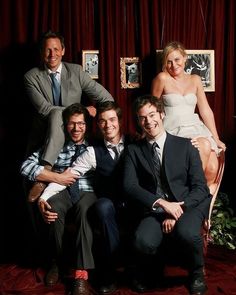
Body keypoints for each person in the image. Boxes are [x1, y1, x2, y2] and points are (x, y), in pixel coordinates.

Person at [123, 95, 211, 294]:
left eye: (152, 114)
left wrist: (177, 208)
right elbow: (129, 186)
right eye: (142, 117)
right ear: (138, 121)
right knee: (142, 241)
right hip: (154, 208)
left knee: (187, 233)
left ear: (162, 114)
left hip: (187, 204)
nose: (149, 121)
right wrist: (162, 204)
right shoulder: (133, 151)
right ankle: (153, 268)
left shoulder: (185, 145)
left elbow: (200, 187)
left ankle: (196, 272)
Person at [40, 101, 131, 294]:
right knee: (98, 208)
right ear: (98, 125)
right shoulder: (92, 152)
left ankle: (138, 270)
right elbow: (69, 174)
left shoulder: (135, 142)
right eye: (103, 121)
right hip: (107, 202)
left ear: (120, 121)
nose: (108, 125)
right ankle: (86, 273)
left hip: (134, 201)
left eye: (112, 119)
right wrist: (44, 196)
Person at [24, 30, 114, 202]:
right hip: (43, 140)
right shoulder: (31, 77)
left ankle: (45, 174)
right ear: (42, 52)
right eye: (48, 50)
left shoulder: (76, 72)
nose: (52, 54)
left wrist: (102, 117)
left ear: (63, 50)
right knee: (33, 201)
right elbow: (46, 109)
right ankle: (46, 170)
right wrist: (84, 111)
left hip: (75, 138)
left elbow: (106, 98)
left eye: (56, 49)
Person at [21, 103, 96, 295]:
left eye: (81, 124)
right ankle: (57, 263)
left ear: (87, 125)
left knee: (85, 210)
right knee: (53, 207)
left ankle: (81, 275)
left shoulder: (95, 145)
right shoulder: (55, 145)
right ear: (65, 125)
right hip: (59, 189)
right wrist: (56, 177)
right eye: (72, 124)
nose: (76, 128)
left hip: (87, 190)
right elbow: (25, 167)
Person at [151, 41, 226, 193]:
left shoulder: (195, 79)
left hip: (196, 127)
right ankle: (186, 197)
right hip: (174, 129)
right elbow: (151, 107)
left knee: (212, 168)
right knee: (203, 147)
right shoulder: (162, 78)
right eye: (169, 61)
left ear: (185, 58)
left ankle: (202, 210)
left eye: (177, 59)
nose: (173, 65)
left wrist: (216, 138)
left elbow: (205, 110)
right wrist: (150, 135)